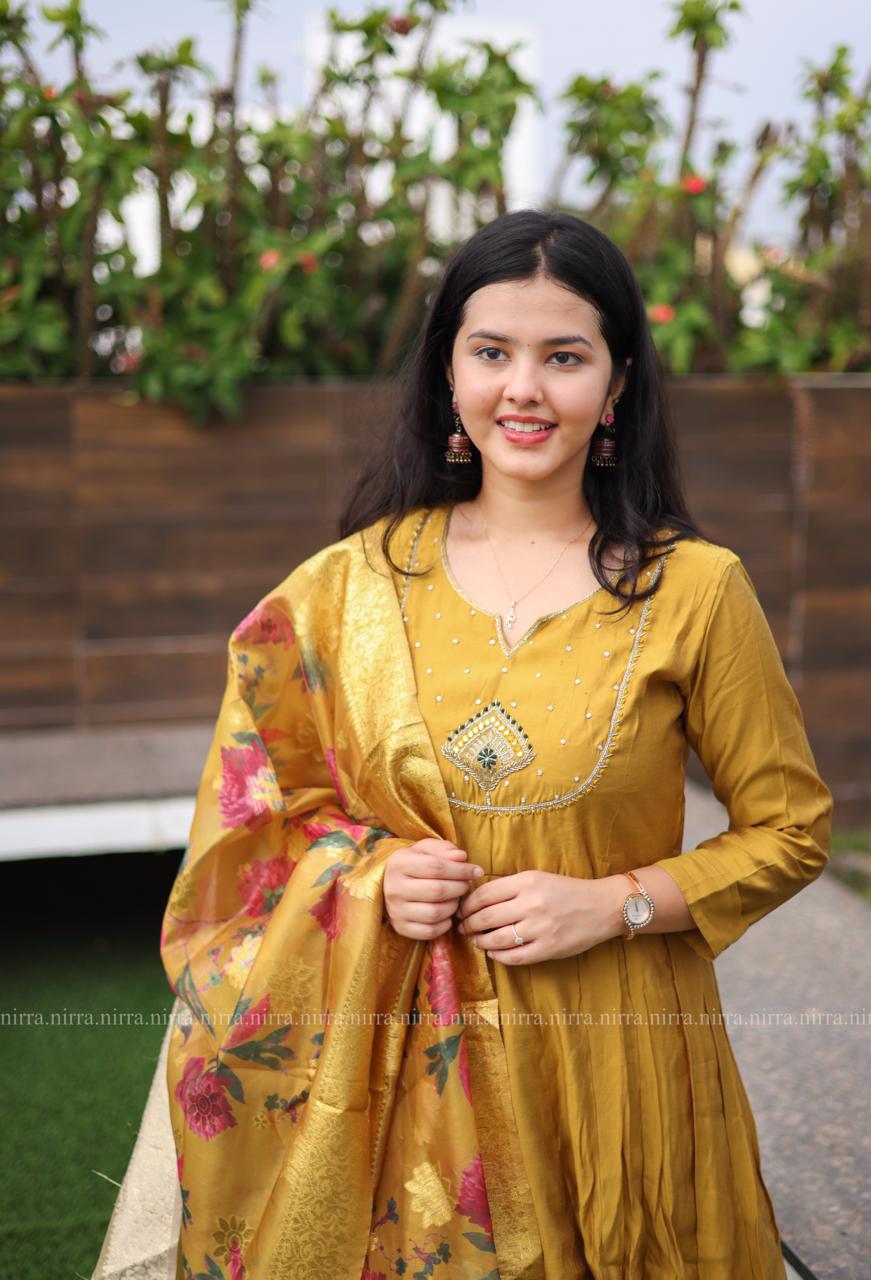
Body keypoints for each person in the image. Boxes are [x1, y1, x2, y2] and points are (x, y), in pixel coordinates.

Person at [96, 208, 832, 1280]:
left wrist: (616, 901)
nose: (522, 389)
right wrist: (370, 879)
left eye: (564, 356)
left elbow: (791, 828)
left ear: (617, 382)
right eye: (491, 352)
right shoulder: (347, 586)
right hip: (397, 1075)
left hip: (618, 1060)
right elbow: (253, 826)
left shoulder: (696, 590)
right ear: (449, 373)